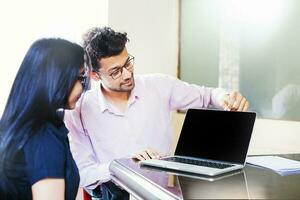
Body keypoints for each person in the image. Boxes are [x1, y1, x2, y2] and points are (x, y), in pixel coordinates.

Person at [64, 27, 249, 199]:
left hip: (160, 195)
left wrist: (225, 97)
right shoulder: (79, 111)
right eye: (115, 72)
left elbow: (207, 95)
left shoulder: (159, 86)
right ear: (94, 75)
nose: (128, 74)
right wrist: (122, 166)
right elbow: (82, 174)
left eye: (128, 63)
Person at [0, 38, 90, 200]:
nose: (84, 88)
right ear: (57, 78)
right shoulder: (44, 137)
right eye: (80, 78)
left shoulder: (19, 128)